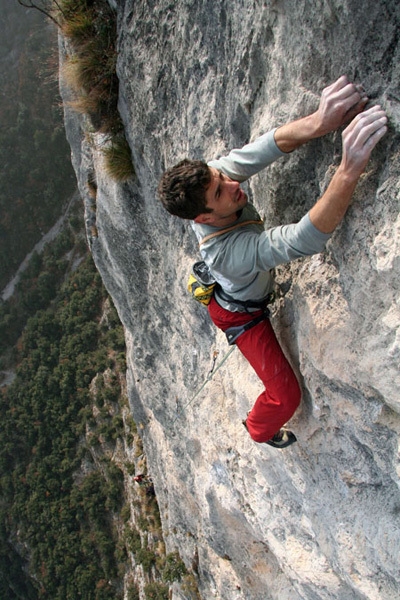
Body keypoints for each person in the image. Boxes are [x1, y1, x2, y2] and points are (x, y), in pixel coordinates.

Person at [158, 76, 387, 448]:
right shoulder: (227, 255)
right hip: (240, 314)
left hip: (238, 290)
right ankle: (258, 430)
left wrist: (321, 120)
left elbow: (268, 146)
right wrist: (349, 169)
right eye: (221, 191)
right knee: (285, 395)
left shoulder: (213, 180)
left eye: (221, 176)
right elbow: (301, 240)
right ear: (203, 217)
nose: (233, 185)